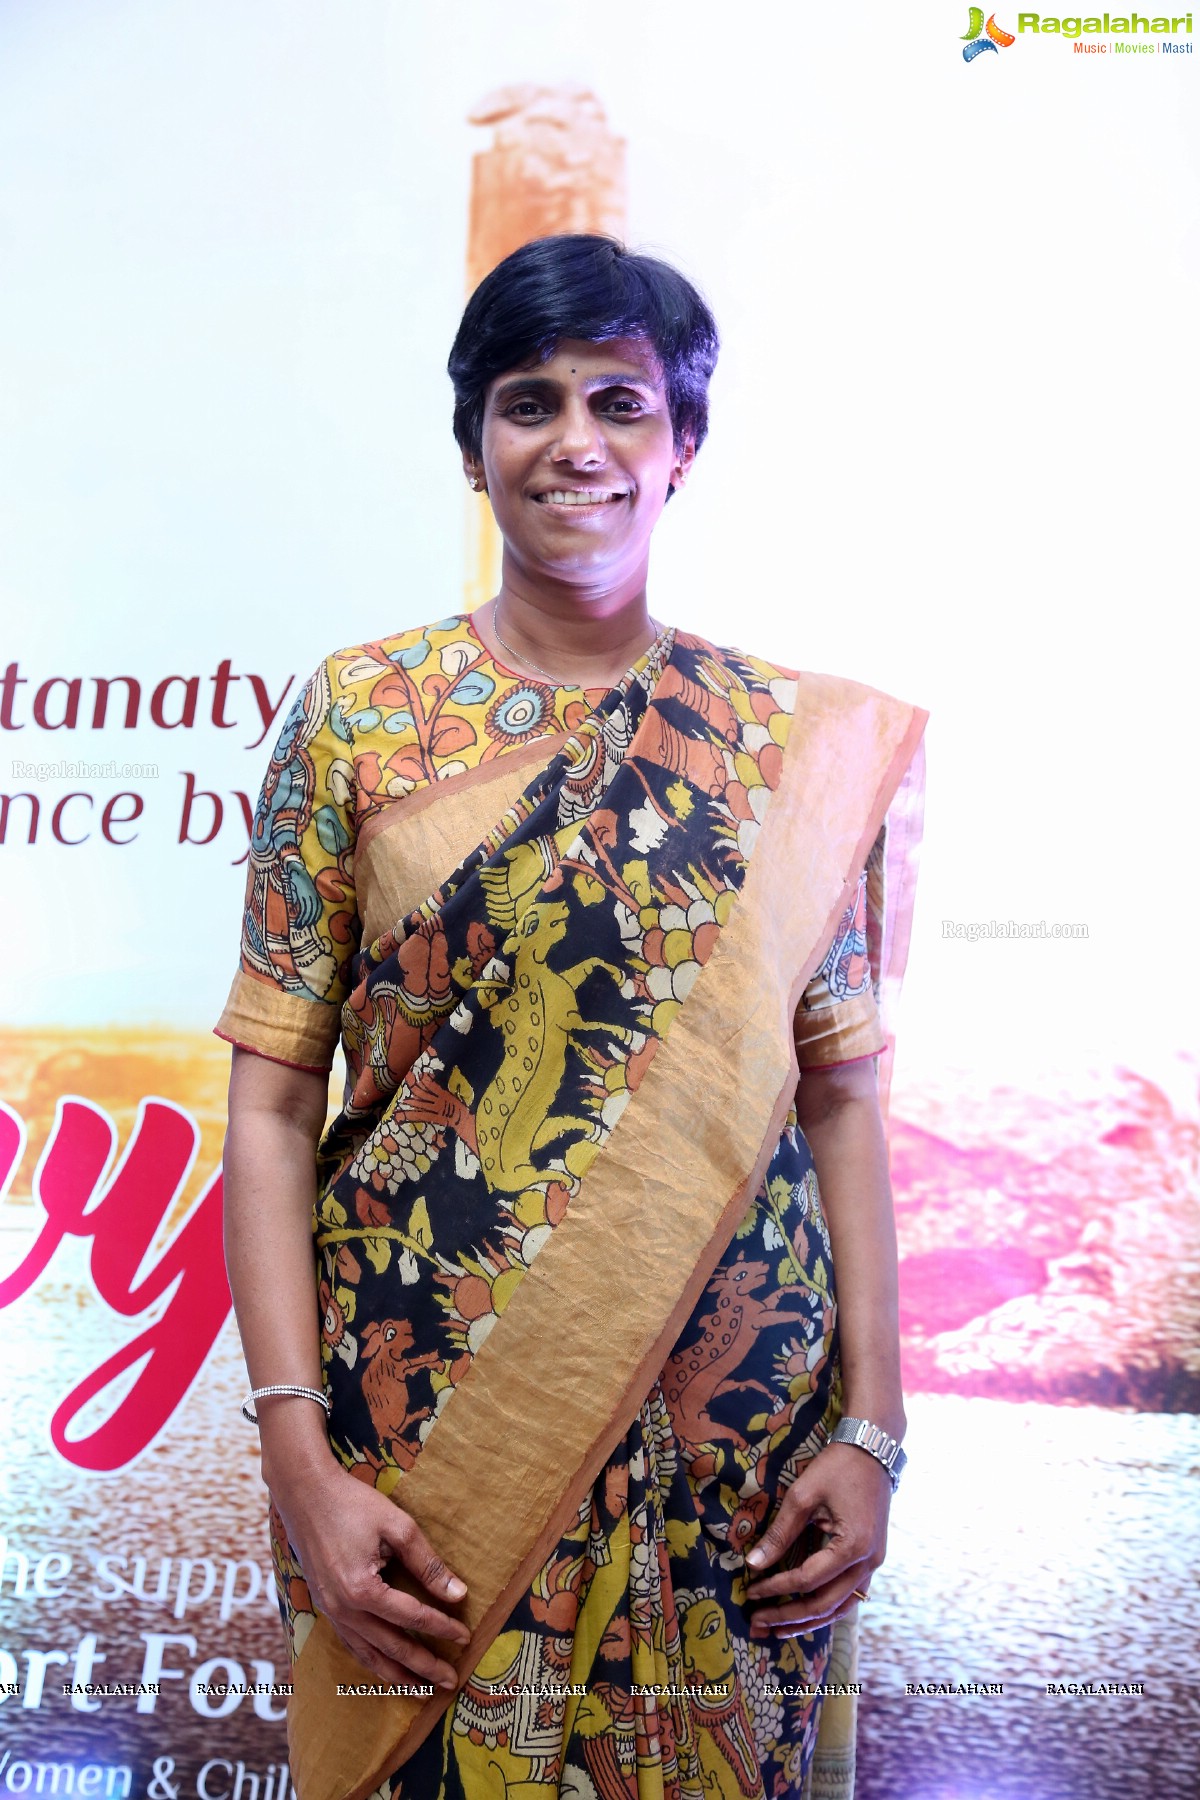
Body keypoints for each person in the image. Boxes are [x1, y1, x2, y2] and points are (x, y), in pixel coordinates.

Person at [216, 234, 926, 1800]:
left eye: (622, 402)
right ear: (473, 447)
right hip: (422, 1425)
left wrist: (874, 1429)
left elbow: (842, 1099)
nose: (576, 444)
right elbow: (268, 1103)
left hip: (740, 1446)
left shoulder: (786, 747)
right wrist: (296, 1457)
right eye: (529, 403)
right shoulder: (360, 717)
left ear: (684, 448)